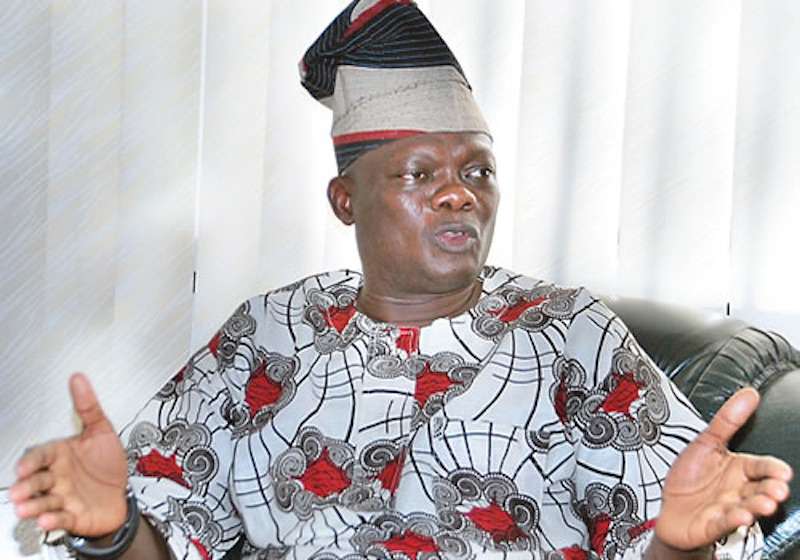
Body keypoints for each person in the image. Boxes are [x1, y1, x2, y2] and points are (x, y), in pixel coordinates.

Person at [9, 1, 793, 559]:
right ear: (345, 201)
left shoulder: (570, 333)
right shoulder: (266, 336)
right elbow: (160, 539)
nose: (460, 194)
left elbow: (672, 530)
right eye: (421, 173)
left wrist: (680, 545)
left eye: (477, 170)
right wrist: (112, 526)